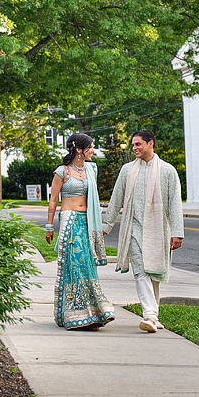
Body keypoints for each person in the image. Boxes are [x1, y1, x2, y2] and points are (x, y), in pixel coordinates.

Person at [103, 129, 184, 333]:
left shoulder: (167, 171)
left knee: (153, 273)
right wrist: (107, 225)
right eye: (133, 145)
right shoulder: (127, 170)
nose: (134, 148)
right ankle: (149, 315)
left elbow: (175, 204)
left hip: (158, 230)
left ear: (151, 144)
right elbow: (116, 198)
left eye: (138, 144)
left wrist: (177, 232)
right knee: (141, 270)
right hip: (134, 229)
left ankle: (153, 316)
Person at [46, 133, 115, 330]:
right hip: (70, 221)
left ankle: (93, 313)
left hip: (87, 221)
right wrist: (50, 226)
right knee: (76, 265)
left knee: (88, 265)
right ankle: (76, 314)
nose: (93, 151)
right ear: (79, 149)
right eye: (90, 147)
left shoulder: (91, 169)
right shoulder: (62, 172)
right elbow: (53, 200)